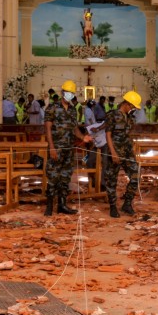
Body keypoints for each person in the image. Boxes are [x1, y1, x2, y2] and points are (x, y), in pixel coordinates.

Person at [44, 80, 92, 216]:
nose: (69, 95)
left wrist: (83, 138)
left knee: (65, 177)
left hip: (69, 149)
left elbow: (74, 128)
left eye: (72, 93)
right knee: (53, 177)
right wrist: (51, 147)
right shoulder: (52, 108)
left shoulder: (72, 110)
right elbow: (47, 128)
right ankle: (49, 206)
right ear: (62, 92)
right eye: (67, 92)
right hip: (56, 148)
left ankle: (62, 205)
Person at [104, 91, 142, 218]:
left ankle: (127, 203)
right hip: (114, 151)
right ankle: (113, 206)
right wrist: (113, 153)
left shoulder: (130, 117)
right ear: (126, 103)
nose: (132, 109)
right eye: (132, 106)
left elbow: (128, 133)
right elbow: (108, 134)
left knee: (136, 175)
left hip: (127, 152)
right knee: (111, 180)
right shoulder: (112, 115)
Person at [83, 98, 109, 191]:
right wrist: (91, 140)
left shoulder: (101, 123)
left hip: (104, 143)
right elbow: (89, 125)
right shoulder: (88, 112)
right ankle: (93, 180)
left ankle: (103, 183)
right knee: (90, 161)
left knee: (105, 162)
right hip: (95, 143)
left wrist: (97, 129)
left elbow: (106, 124)